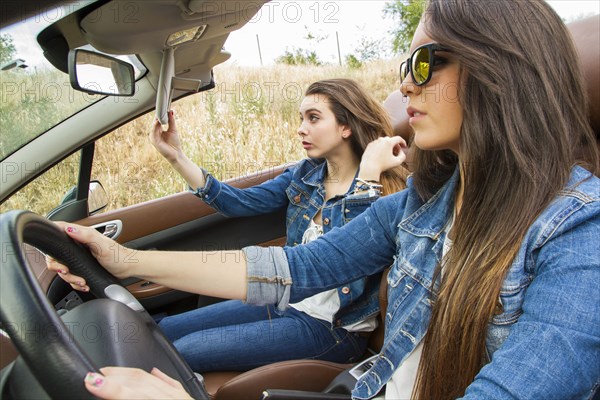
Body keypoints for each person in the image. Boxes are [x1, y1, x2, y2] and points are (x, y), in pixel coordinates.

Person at [63, 0, 599, 398]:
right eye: (402, 67)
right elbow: (294, 267)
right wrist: (127, 261)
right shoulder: (424, 203)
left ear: (499, 68)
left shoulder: (581, 232)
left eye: (423, 64)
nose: (405, 87)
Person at [50, 78, 409, 372]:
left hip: (331, 329)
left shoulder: (387, 195)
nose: (301, 128)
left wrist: (367, 176)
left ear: (346, 126)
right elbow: (239, 203)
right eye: (300, 118)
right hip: (287, 298)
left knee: (181, 350)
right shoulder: (305, 176)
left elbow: (347, 258)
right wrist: (176, 156)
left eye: (314, 118)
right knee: (163, 330)